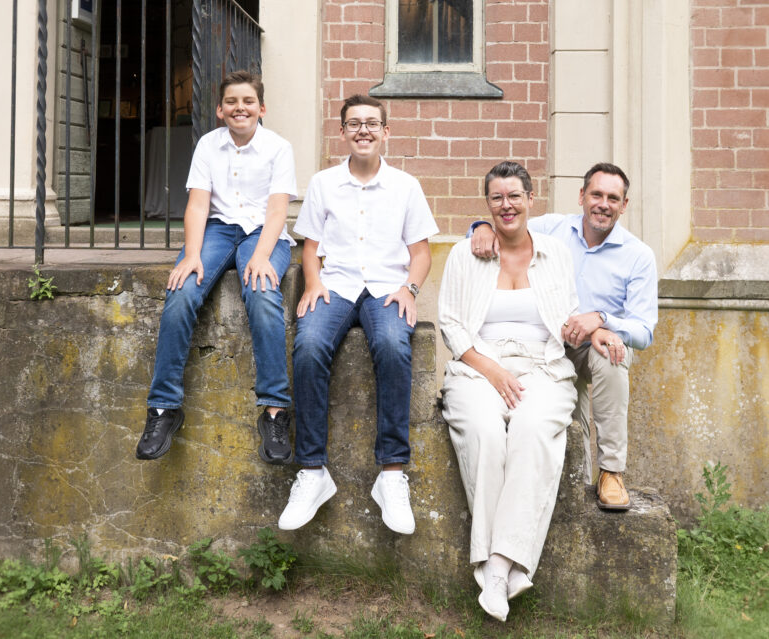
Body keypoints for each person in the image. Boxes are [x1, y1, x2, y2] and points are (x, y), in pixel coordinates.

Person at [278, 94, 439, 535]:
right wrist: (313, 283)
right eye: (354, 123)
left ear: (385, 132)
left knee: (392, 344)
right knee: (309, 345)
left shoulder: (406, 186)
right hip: (336, 286)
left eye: (371, 123)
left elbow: (420, 253)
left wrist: (410, 289)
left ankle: (392, 474)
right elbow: (310, 247)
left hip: (387, 288)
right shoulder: (324, 184)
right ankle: (312, 471)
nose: (363, 130)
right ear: (343, 132)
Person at [470, 162, 657, 510]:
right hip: (551, 343)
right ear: (582, 196)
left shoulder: (638, 256)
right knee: (569, 415)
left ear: (624, 205)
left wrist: (601, 321)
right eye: (597, 195)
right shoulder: (552, 229)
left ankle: (612, 472)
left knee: (611, 355)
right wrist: (481, 227)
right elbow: (509, 221)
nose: (603, 204)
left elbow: (644, 331)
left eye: (613, 198)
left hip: (597, 345)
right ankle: (578, 484)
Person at [135, 70, 298, 465]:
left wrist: (261, 255)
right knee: (182, 291)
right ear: (221, 109)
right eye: (231, 102)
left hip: (264, 232)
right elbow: (197, 205)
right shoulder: (208, 145)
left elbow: (278, 210)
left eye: (248, 101)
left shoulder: (279, 148)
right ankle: (163, 408)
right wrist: (192, 254)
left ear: (261, 108)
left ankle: (275, 411)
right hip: (218, 230)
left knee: (262, 292)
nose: (240, 108)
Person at [439, 161, 578, 622]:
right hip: (478, 364)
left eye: (514, 196)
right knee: (482, 430)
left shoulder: (555, 253)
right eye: (496, 198)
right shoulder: (466, 255)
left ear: (531, 199)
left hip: (543, 365)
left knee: (532, 430)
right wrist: (493, 371)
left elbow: (567, 315)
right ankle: (506, 567)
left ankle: (496, 568)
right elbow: (451, 325)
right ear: (487, 204)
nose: (506, 205)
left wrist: (594, 327)